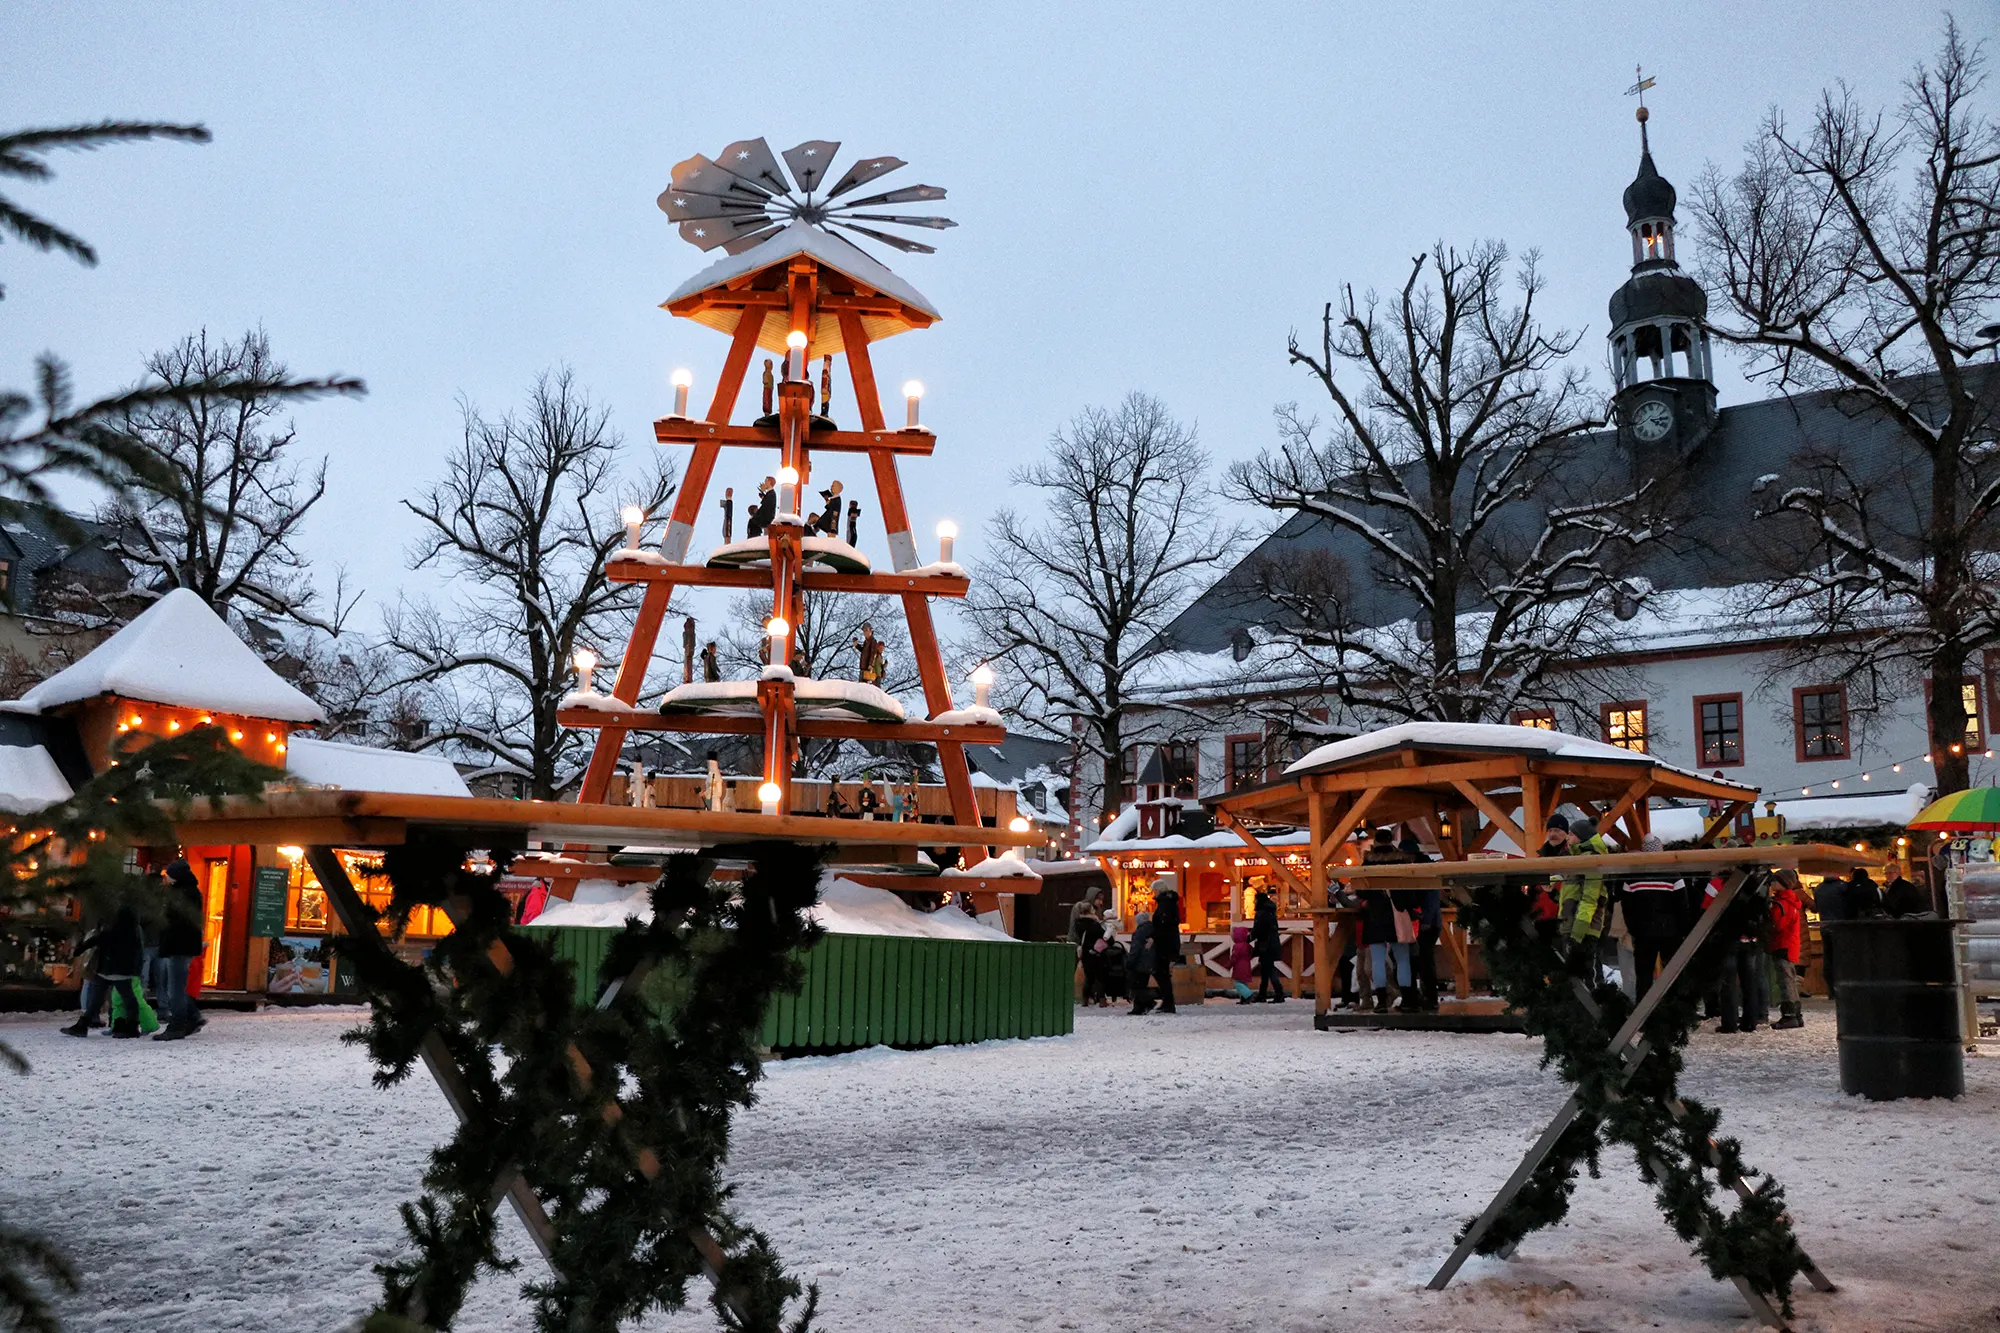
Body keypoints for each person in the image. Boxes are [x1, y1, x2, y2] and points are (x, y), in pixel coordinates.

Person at [61, 904, 146, 1039]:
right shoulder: (133, 928)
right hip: (121, 969)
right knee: (126, 998)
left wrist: (80, 949)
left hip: (111, 968)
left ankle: (83, 1026)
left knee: (101, 998)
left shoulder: (115, 925)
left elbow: (98, 939)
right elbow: (137, 951)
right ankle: (131, 1026)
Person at [1621, 834, 1688, 1001]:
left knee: (1643, 975)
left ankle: (1643, 1013)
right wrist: (1682, 930)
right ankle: (1674, 1010)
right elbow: (1683, 906)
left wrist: (1634, 929)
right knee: (1673, 974)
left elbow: (1627, 907)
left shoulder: (1632, 877)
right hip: (1670, 932)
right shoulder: (1674, 875)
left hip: (1643, 933)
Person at [1359, 827, 1417, 1013]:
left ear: (1375, 841)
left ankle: (1381, 1001)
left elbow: (1361, 890)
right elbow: (1411, 889)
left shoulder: (1368, 861)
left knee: (1377, 959)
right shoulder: (1402, 859)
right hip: (1398, 911)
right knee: (1402, 959)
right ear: (1391, 840)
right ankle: (1408, 999)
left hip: (1375, 913)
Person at [154, 859, 207, 1040]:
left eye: (168, 875)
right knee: (177, 984)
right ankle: (191, 1017)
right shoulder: (191, 892)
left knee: (174, 988)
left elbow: (176, 922)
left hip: (178, 945)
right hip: (184, 945)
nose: (166, 878)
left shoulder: (180, 895)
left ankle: (177, 1024)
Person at [1768, 868, 1806, 1029]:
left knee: (1785, 981)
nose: (1772, 883)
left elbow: (1778, 925)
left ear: (1784, 884)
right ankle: (1796, 1014)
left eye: (1776, 881)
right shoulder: (1791, 900)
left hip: (1783, 945)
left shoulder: (1783, 903)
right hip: (1790, 944)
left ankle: (1789, 1015)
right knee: (1789, 979)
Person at [1151, 884, 1182, 1014]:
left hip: (1165, 943)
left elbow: (1164, 925)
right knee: (1162, 973)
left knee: (1160, 972)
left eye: (1154, 891)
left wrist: (1154, 937)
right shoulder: (1169, 903)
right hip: (1169, 942)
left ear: (1158, 890)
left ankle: (1168, 1002)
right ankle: (1167, 1001)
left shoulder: (1165, 904)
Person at [1251, 889, 1286, 1002]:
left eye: (1255, 900)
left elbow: (1258, 929)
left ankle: (1277, 992)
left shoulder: (1261, 913)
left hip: (1266, 944)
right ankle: (1264, 993)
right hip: (1271, 943)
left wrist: (1249, 938)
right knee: (1266, 969)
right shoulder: (1270, 911)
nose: (1253, 902)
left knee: (1268, 969)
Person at [1126, 911, 1156, 1015]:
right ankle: (1141, 1006)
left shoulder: (1139, 932)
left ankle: (1147, 1003)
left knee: (1137, 985)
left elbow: (1135, 948)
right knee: (1142, 984)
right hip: (1150, 961)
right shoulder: (1153, 930)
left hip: (1140, 961)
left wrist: (1130, 961)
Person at [1077, 910, 1110, 1007]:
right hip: (1097, 955)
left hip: (1086, 955)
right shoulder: (1096, 926)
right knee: (1100, 977)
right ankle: (1102, 1000)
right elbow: (1106, 938)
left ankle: (1085, 999)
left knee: (1089, 978)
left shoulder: (1080, 925)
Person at [1229, 925, 1256, 1002]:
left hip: (1239, 968)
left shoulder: (1237, 946)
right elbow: (1252, 953)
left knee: (1237, 983)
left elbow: (1234, 958)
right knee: (1244, 983)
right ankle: (1244, 999)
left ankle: (1248, 995)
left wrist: (1230, 964)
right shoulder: (1247, 946)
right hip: (1247, 966)